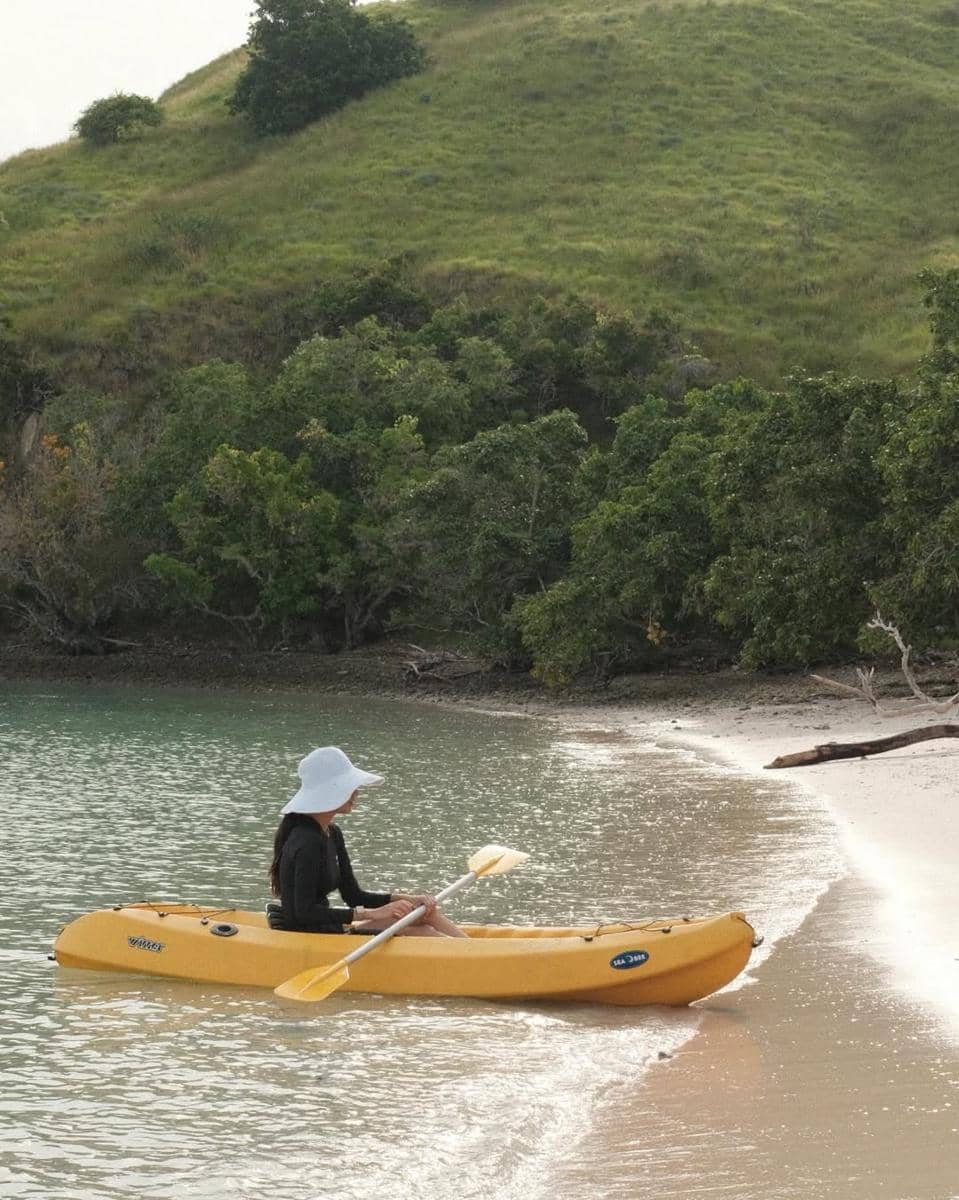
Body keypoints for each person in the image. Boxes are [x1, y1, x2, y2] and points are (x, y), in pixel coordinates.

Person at [268, 746, 466, 938]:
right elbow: (304, 912)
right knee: (422, 933)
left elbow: (354, 896)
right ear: (329, 791)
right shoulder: (306, 841)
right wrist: (371, 914)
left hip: (332, 930)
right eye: (349, 787)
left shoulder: (332, 833)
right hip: (312, 938)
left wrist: (408, 899)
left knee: (424, 912)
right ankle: (473, 960)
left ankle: (476, 951)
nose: (356, 793)